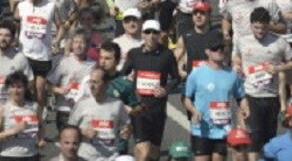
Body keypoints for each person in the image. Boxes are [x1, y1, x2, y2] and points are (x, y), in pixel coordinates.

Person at [232, 7, 292, 160]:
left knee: (268, 141)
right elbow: (236, 58)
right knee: (253, 138)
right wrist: (236, 66)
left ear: (268, 25)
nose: (260, 31)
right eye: (256, 27)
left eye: (263, 27)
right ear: (251, 25)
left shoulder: (279, 42)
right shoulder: (243, 41)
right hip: (251, 95)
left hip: (271, 96)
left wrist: (278, 68)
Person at [183, 29, 249, 161]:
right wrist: (194, 111)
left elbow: (241, 97)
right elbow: (187, 98)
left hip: (223, 129)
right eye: (214, 48)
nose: (219, 50)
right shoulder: (197, 74)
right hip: (202, 129)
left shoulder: (232, 74)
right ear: (207, 52)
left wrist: (245, 108)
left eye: (221, 47)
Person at [122, 18, 181, 160]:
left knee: (154, 152)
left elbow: (176, 78)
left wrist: (166, 89)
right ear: (142, 34)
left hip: (157, 109)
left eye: (155, 32)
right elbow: (122, 75)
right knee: (143, 150)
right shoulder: (134, 54)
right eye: (148, 32)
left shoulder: (167, 55)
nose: (151, 35)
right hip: (139, 108)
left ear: (159, 34)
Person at [17, 0, 66, 116]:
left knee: (40, 90)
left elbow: (61, 26)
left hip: (43, 55)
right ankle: (23, 116)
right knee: (25, 88)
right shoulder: (22, 6)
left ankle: (39, 121)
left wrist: (56, 41)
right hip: (24, 54)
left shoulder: (51, 7)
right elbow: (14, 24)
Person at [67, 67, 131, 161]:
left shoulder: (117, 104)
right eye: (90, 82)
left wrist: (127, 130)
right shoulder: (82, 104)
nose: (91, 86)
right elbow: (68, 130)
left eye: (96, 82)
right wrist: (83, 132)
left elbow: (127, 125)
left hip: (110, 156)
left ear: (106, 84)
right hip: (85, 157)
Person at [0, 71, 45, 160]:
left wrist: (40, 139)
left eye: (19, 87)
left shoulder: (34, 107)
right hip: (9, 156)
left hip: (32, 155)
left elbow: (41, 126)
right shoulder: (3, 110)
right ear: (7, 89)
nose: (16, 91)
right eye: (12, 87)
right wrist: (13, 131)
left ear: (25, 88)